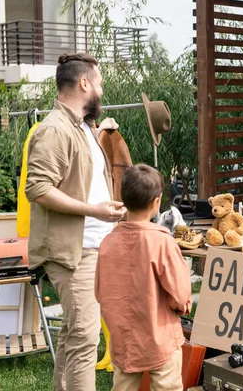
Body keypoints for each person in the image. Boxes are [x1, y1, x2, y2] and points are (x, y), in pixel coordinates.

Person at [25, 53, 126, 390]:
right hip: (71, 250)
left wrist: (107, 211)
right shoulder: (53, 129)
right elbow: (38, 189)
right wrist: (93, 210)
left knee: (73, 332)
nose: (101, 88)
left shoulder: (83, 126)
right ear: (84, 83)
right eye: (98, 83)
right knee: (85, 335)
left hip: (93, 244)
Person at [95, 164, 192, 391]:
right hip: (160, 338)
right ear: (156, 202)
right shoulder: (162, 241)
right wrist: (182, 306)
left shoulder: (107, 243)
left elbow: (100, 292)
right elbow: (179, 291)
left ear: (123, 199)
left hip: (123, 341)